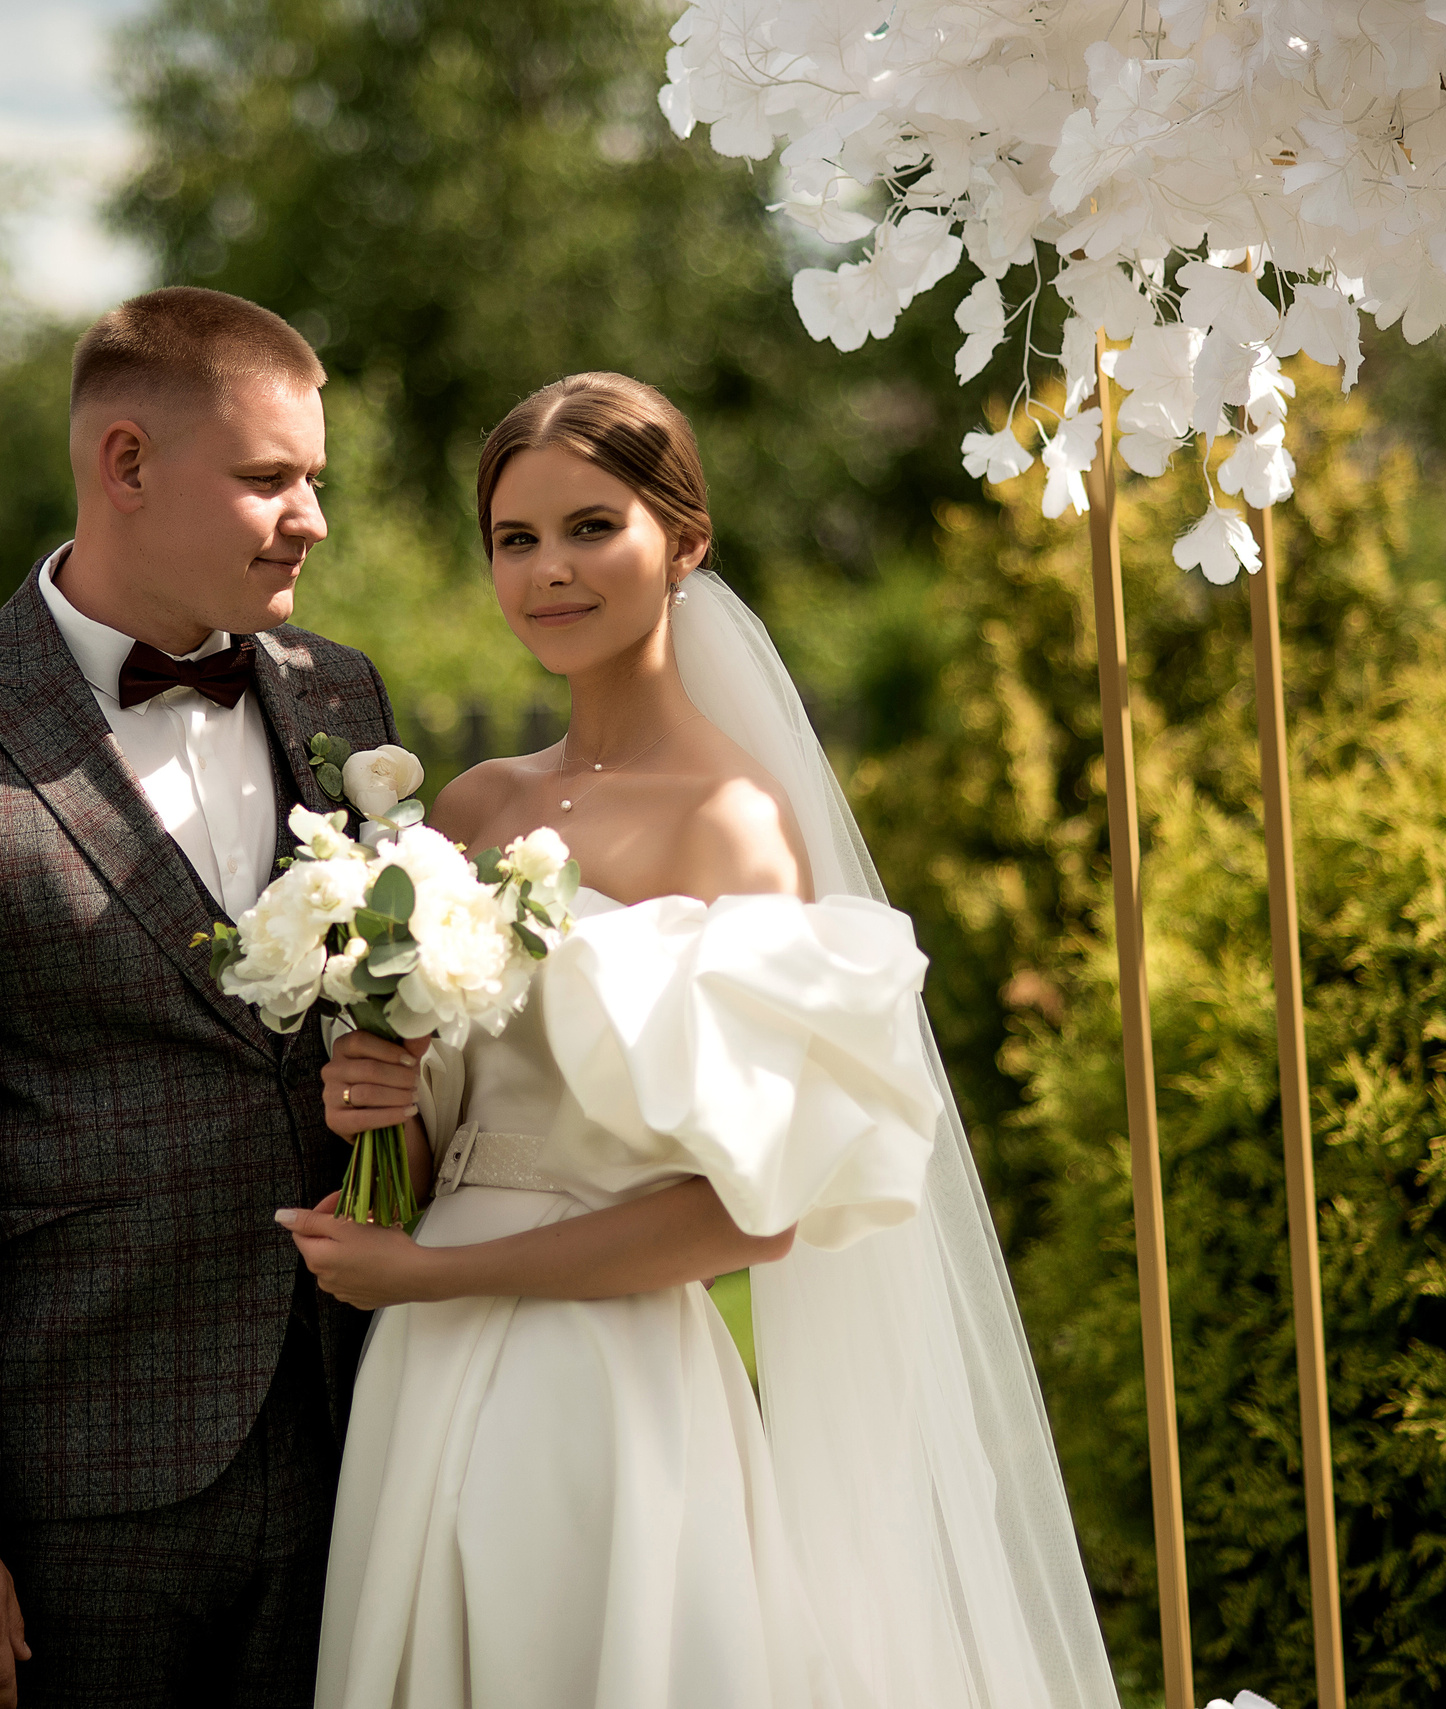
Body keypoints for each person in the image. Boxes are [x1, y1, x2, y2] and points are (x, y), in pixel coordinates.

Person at [279, 373, 1121, 1708]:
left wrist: (433, 1276)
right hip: (420, 1368)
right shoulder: (475, 804)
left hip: (598, 1388)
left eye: (589, 526)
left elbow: (748, 1219)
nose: (549, 569)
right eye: (515, 538)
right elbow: (454, 1132)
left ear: (686, 539)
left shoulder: (731, 824)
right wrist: (384, 1101)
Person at [0, 287, 399, 1709]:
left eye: (317, 479)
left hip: (357, 1429)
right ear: (126, 463)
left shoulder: (341, 697)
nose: (311, 516)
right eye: (268, 478)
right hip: (80, 1479)